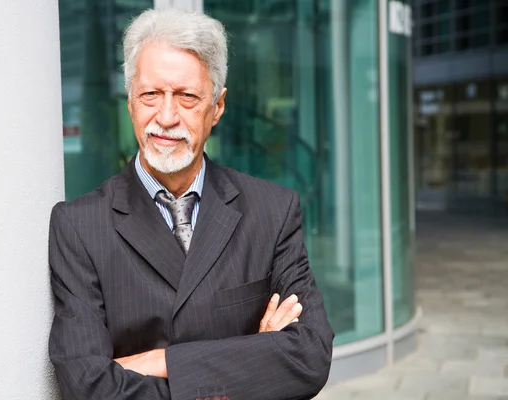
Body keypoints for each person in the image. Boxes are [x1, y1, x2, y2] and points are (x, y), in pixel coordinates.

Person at [48, 8, 334, 400]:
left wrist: (158, 362)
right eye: (150, 94)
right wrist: (254, 354)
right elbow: (88, 387)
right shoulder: (79, 226)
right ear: (130, 100)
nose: (166, 117)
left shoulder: (273, 210)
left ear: (217, 107)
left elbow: (310, 357)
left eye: (186, 97)